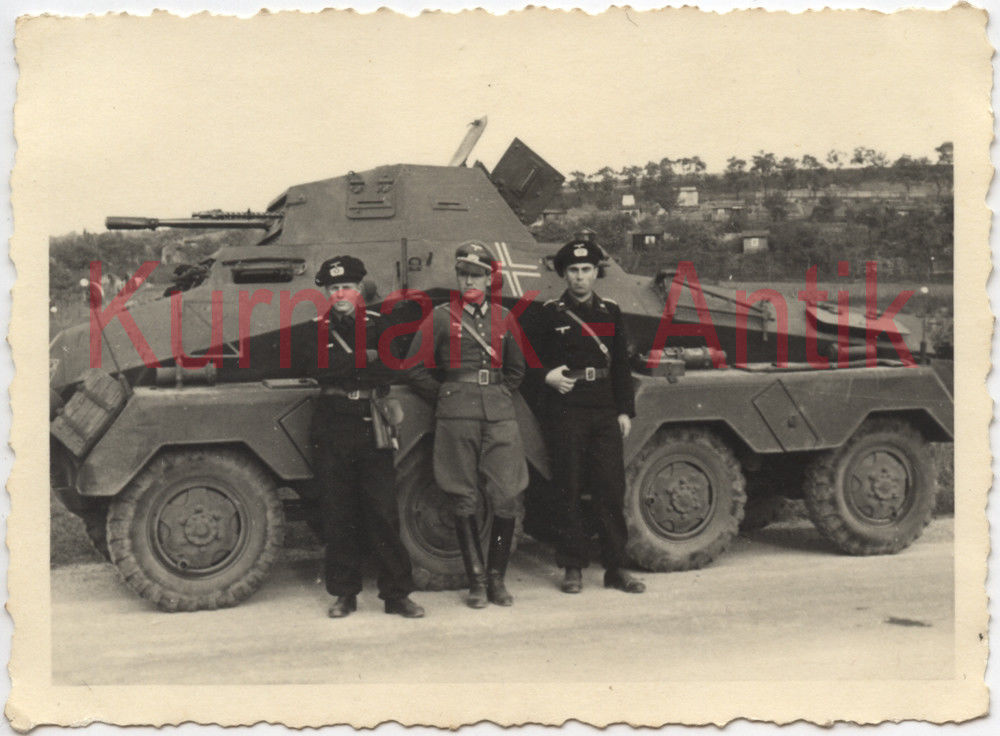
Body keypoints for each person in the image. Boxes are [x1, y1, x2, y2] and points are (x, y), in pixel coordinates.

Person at [405, 240, 528, 608]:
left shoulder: (504, 318)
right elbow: (414, 367)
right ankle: (476, 581)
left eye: (476, 275)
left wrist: (498, 393)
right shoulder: (442, 317)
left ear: (489, 279)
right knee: (463, 497)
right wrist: (446, 394)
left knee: (506, 496)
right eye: (463, 274)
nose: (469, 281)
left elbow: (516, 369)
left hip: (499, 416)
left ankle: (497, 578)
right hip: (456, 415)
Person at [308, 255, 424, 619]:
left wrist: (356, 364)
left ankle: (396, 594)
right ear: (327, 292)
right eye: (334, 288)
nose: (340, 294)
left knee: (383, 512)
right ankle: (345, 594)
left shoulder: (380, 324)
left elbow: (391, 366)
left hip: (371, 423)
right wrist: (367, 356)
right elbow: (315, 368)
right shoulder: (315, 329)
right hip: (333, 425)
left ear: (359, 289)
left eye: (347, 287)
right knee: (338, 514)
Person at [537, 239, 645, 595]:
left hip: (603, 409)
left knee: (610, 489)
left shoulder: (609, 312)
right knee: (567, 488)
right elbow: (529, 360)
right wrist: (546, 377)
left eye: (586, 270)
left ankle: (616, 567)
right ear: (564, 274)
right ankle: (572, 567)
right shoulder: (550, 313)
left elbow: (621, 366)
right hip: (566, 409)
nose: (580, 277)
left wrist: (625, 410)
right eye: (573, 270)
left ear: (596, 273)